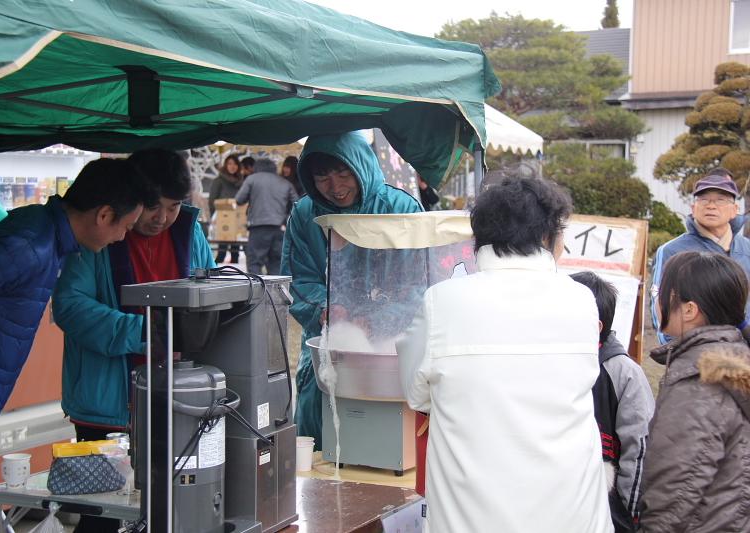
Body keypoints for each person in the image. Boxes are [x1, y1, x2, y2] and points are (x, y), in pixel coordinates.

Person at [397, 176, 612, 533]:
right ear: (547, 237)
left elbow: (416, 395)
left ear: (480, 238)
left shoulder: (443, 301)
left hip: (471, 520)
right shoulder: (580, 300)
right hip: (573, 515)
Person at [52, 149, 214, 533]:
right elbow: (70, 307)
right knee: (102, 516)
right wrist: (142, 333)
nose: (162, 218)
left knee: (174, 507)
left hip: (177, 397)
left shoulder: (189, 232)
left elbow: (212, 295)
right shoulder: (98, 234)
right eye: (153, 207)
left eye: (173, 207)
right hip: (106, 404)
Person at [0, 158, 151, 429]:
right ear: (104, 215)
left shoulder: (46, 236)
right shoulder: (29, 245)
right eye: (126, 227)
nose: (122, 237)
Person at [281, 130, 422, 449]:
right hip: (328, 346)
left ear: (361, 166)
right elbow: (298, 280)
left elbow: (419, 287)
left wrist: (376, 321)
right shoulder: (305, 215)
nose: (335, 187)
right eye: (322, 178)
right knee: (320, 431)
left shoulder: (401, 209)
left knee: (384, 443)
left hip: (390, 353)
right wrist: (325, 309)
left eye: (344, 174)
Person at [640, 251, 750, 533]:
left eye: (662, 292)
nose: (657, 300)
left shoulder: (699, 380)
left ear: (689, 310)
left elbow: (676, 490)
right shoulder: (734, 358)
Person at [570, 271, 655, 533]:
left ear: (596, 327)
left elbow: (638, 450)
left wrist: (628, 517)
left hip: (609, 511)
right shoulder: (552, 363)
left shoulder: (623, 373)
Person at [650, 168, 750, 343]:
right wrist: (676, 350)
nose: (711, 205)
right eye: (703, 199)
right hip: (696, 351)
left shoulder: (747, 248)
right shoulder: (672, 250)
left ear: (734, 210)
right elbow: (662, 307)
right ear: (693, 208)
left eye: (720, 199)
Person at [235, 158, 298, 275]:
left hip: (257, 227)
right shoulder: (285, 183)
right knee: (276, 263)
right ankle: (275, 287)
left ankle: (257, 286)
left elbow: (239, 199)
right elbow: (297, 204)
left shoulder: (252, 179)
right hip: (279, 228)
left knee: (254, 263)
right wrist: (286, 219)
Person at [209, 154, 244, 263]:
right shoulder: (219, 180)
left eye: (235, 164)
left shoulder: (241, 181)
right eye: (229, 164)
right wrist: (213, 217)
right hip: (222, 219)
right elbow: (212, 200)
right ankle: (215, 271)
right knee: (221, 252)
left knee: (235, 252)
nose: (232, 166)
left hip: (237, 219)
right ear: (226, 165)